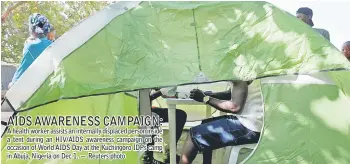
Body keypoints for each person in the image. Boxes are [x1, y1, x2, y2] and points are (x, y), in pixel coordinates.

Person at [179, 80, 263, 164]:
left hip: (249, 127)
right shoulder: (250, 70)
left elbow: (234, 107)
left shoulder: (239, 75)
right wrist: (208, 95)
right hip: (257, 124)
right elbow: (231, 94)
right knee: (204, 125)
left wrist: (205, 98)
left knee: (193, 135)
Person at [9, 13, 53, 88]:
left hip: (35, 90)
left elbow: (18, 78)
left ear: (32, 29)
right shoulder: (53, 44)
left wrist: (11, 84)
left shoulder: (32, 47)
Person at [144, 87, 187, 164]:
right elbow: (141, 102)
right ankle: (148, 158)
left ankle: (170, 153)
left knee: (180, 115)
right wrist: (160, 92)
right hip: (137, 111)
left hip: (149, 109)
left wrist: (172, 93)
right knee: (153, 118)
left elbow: (163, 93)